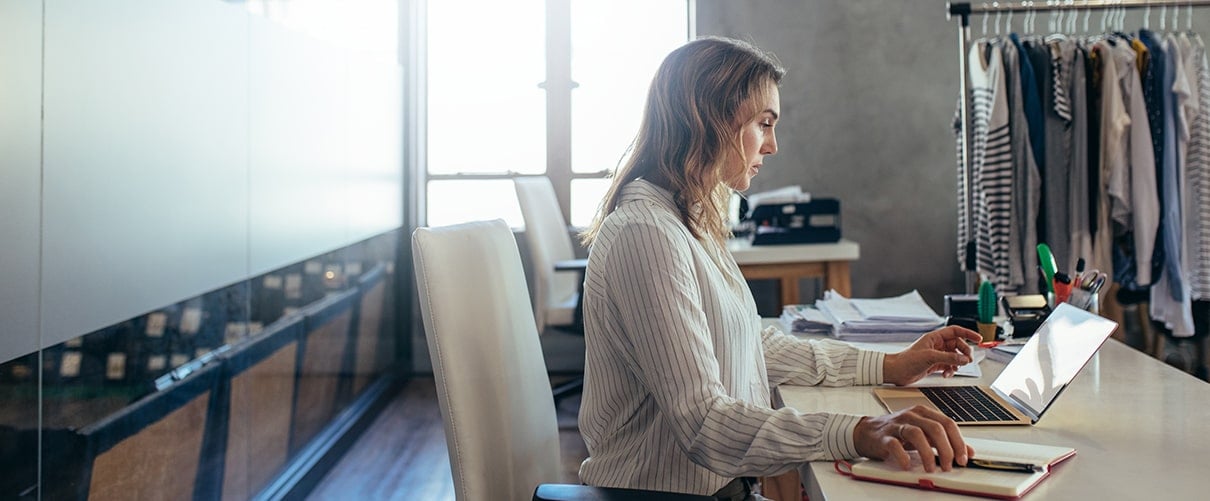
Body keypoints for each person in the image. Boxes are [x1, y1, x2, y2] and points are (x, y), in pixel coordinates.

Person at [576, 36, 982, 498]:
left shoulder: (687, 218)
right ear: (710, 119)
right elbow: (705, 424)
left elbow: (754, 346)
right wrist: (857, 432)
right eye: (764, 124)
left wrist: (890, 365)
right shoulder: (646, 234)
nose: (772, 145)